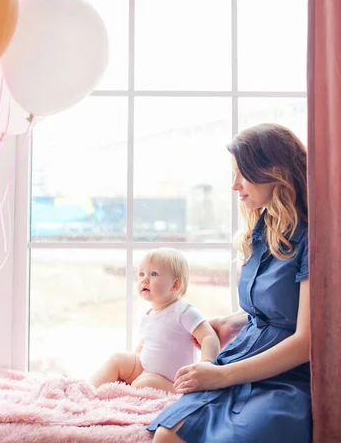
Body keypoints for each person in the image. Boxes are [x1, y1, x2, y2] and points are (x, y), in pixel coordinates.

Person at [148, 123, 312, 443]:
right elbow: (275, 309)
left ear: (274, 171)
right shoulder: (264, 228)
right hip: (239, 361)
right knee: (165, 436)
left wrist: (222, 376)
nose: (234, 185)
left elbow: (306, 339)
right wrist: (229, 320)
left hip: (283, 379)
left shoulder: (311, 237)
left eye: (241, 173)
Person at [89, 248, 220, 393]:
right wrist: (131, 363)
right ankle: (88, 390)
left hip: (172, 381)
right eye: (141, 274)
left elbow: (209, 336)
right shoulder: (148, 313)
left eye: (154, 274)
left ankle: (177, 392)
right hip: (145, 368)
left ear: (175, 285)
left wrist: (207, 364)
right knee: (118, 359)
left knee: (143, 383)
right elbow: (145, 342)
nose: (144, 279)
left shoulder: (183, 311)